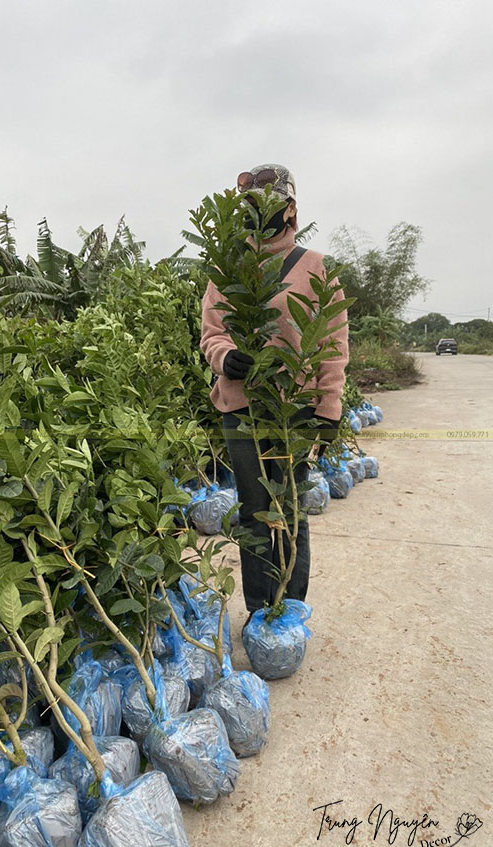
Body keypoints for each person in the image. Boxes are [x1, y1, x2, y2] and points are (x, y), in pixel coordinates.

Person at [199, 163, 349, 626]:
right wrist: (226, 358)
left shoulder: (315, 267)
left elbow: (332, 342)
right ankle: (260, 607)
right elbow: (211, 334)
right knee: (253, 510)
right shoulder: (227, 270)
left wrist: (328, 407)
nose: (260, 215)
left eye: (270, 205)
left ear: (290, 208)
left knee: (289, 508)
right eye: (251, 207)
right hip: (242, 408)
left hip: (293, 409)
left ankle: (290, 605)